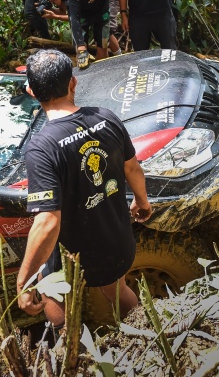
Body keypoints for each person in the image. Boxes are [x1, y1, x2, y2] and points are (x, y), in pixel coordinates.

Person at [16, 49, 152, 330]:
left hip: (72, 252)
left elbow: (48, 221)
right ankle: (149, 336)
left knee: (51, 289)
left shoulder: (43, 148)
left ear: (31, 92)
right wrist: (142, 201)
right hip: (113, 240)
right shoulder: (107, 117)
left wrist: (24, 282)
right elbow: (132, 169)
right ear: (73, 83)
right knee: (117, 290)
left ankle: (70, 350)